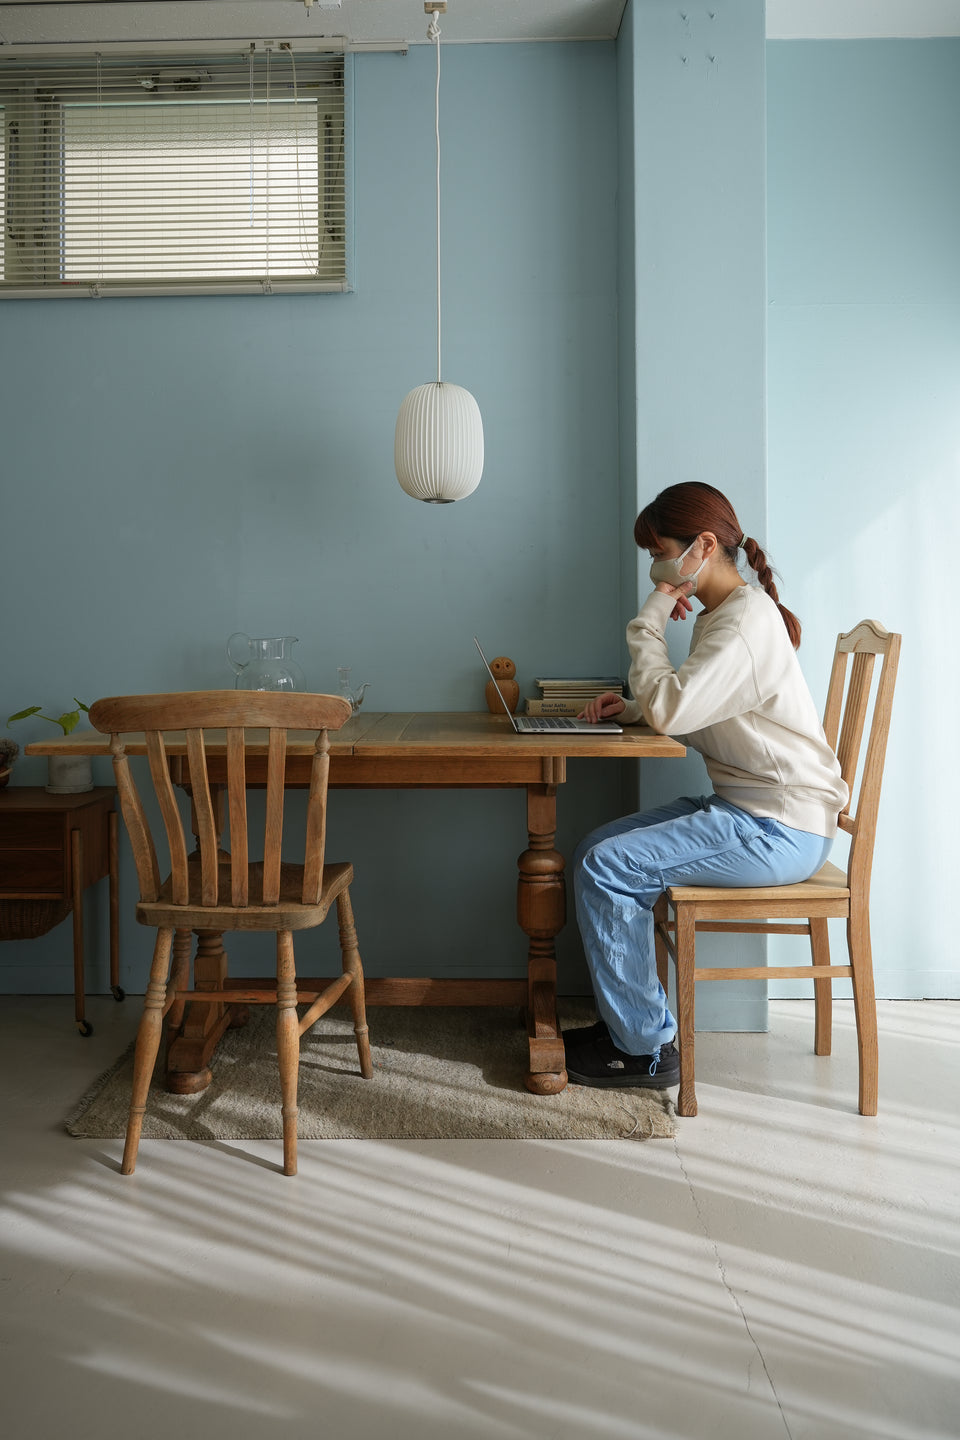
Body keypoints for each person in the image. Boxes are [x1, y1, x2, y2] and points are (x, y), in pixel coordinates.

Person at [564, 481, 848, 1090]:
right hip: (752, 810)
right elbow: (692, 709)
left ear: (704, 545)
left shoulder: (744, 623)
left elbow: (676, 710)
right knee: (595, 853)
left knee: (607, 868)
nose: (655, 567)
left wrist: (649, 620)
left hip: (777, 826)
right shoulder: (727, 618)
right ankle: (628, 1026)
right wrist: (636, 708)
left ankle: (644, 1050)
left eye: (658, 550)